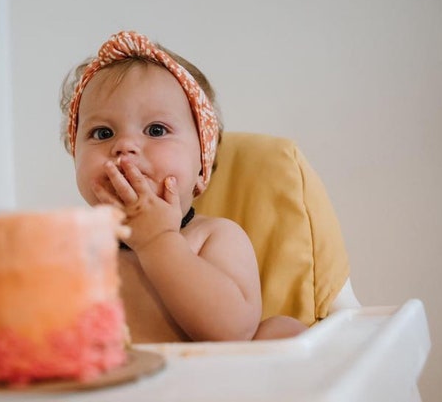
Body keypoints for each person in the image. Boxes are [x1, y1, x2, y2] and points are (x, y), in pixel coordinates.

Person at [60, 30, 307, 342]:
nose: (125, 145)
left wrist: (157, 241)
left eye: (156, 129)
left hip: (207, 386)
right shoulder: (72, 250)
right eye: (102, 133)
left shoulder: (213, 237)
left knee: (284, 333)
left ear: (202, 165)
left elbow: (233, 332)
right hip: (117, 388)